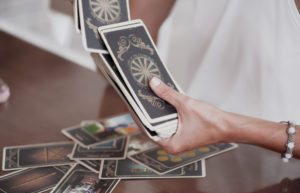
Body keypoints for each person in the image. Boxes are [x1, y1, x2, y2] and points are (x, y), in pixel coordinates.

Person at [68, 0, 300, 161]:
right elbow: (124, 51)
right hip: (199, 147)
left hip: (277, 172)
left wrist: (225, 126)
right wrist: (92, 16)